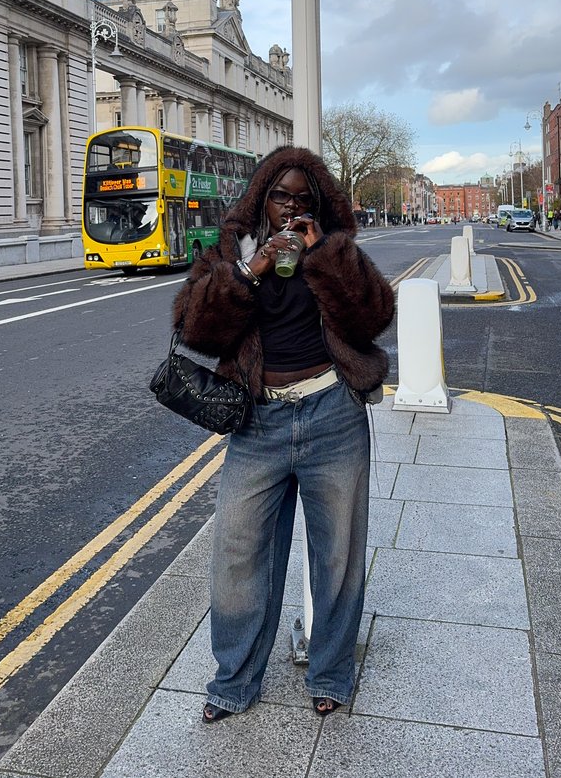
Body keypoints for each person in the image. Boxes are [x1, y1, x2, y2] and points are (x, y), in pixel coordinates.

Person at [172, 146, 395, 723]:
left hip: (332, 414)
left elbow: (373, 316)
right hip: (259, 422)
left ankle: (331, 672)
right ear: (262, 200)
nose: (290, 207)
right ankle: (234, 680)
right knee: (238, 553)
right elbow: (194, 326)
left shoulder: (335, 251)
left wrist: (324, 255)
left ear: (315, 204)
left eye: (302, 198)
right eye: (280, 196)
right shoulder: (235, 253)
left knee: (338, 555)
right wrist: (253, 270)